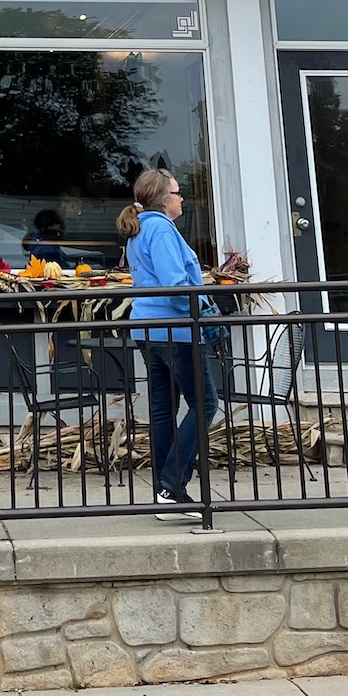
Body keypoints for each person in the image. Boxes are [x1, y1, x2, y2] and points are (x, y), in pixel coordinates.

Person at [117, 169, 220, 521]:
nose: (182, 199)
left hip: (148, 329)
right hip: (175, 330)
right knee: (205, 404)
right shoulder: (160, 227)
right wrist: (204, 310)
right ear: (164, 199)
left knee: (163, 410)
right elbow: (176, 284)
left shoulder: (141, 229)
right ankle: (172, 484)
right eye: (177, 193)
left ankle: (165, 493)